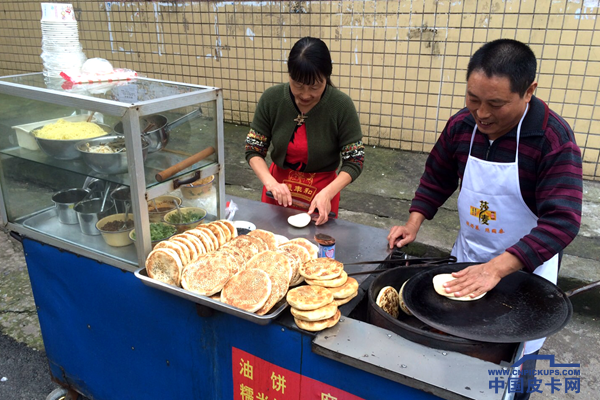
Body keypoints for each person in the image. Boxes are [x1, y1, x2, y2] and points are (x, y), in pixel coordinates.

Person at [387, 39, 582, 399]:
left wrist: (497, 268)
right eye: (473, 99)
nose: (482, 113)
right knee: (459, 354)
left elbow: (563, 220)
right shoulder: (463, 126)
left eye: (495, 103)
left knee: (513, 370)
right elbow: (437, 176)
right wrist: (414, 221)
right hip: (468, 260)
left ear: (529, 92)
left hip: (526, 278)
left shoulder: (552, 139)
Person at [245, 37, 364, 225]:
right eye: (298, 85)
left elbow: (355, 160)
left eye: (315, 86)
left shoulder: (341, 106)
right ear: (289, 75)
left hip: (322, 193)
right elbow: (253, 148)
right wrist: (270, 183)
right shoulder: (272, 99)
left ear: (326, 78)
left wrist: (328, 192)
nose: (305, 94)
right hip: (278, 189)